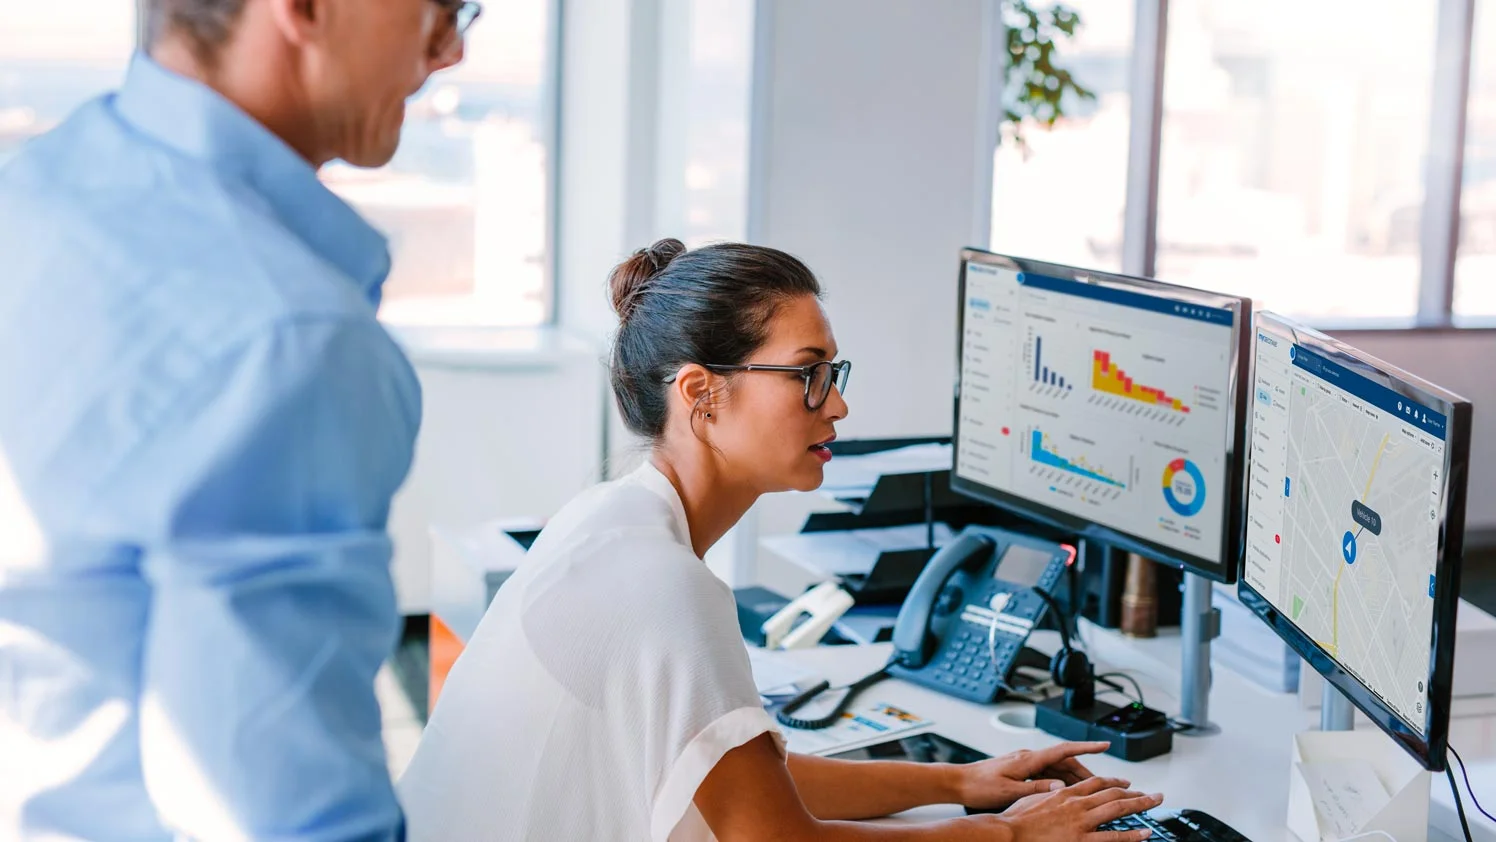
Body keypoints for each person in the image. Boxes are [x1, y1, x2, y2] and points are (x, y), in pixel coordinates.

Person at [396, 238, 1163, 841]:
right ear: (702, 394)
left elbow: (752, 781)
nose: (839, 406)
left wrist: (964, 782)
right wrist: (1007, 837)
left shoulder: (609, 520)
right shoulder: (659, 584)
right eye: (809, 375)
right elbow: (775, 835)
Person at [0, 1, 479, 838]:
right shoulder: (287, 336)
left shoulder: (33, 192)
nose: (452, 49)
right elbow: (287, 820)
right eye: (441, 7)